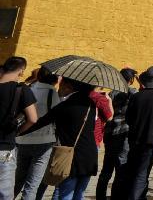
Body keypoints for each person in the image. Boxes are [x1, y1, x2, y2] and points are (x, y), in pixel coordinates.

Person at [21, 77, 96, 200]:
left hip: (71, 156)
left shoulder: (65, 106)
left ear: (70, 86)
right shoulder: (91, 104)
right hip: (90, 155)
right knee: (79, 194)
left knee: (65, 194)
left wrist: (20, 132)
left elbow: (41, 122)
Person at [112, 66, 153, 200]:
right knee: (142, 172)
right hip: (152, 140)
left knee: (133, 169)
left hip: (134, 139)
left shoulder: (137, 96)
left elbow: (129, 118)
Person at [14, 65, 58, 200]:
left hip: (23, 138)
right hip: (44, 141)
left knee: (17, 180)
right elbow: (56, 116)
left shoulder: (28, 90)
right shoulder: (53, 94)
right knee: (32, 185)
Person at [96, 68, 137, 200]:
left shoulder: (111, 94)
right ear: (130, 80)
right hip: (124, 133)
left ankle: (100, 196)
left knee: (106, 168)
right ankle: (116, 196)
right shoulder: (132, 94)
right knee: (121, 169)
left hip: (109, 133)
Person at [0, 57, 37, 199]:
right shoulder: (21, 90)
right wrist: (19, 132)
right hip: (5, 148)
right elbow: (33, 119)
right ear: (21, 71)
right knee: (5, 194)